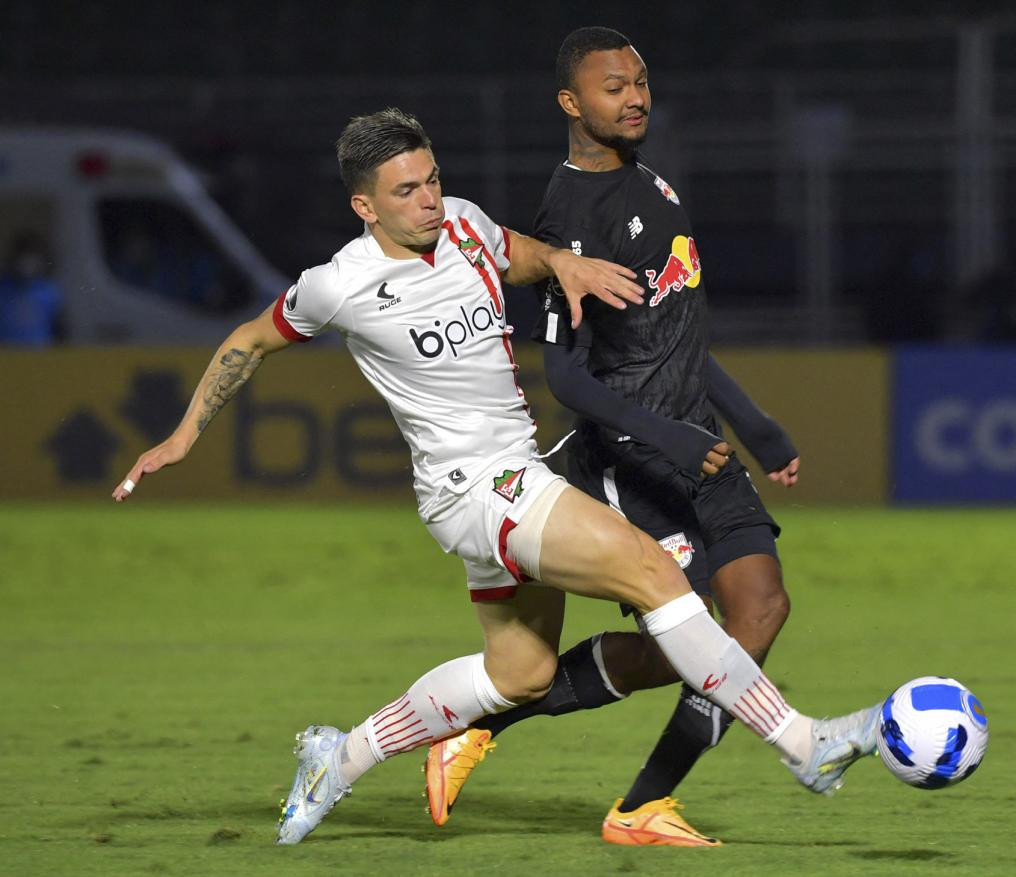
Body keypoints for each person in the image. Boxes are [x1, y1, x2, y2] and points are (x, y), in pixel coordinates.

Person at [112, 107, 880, 847]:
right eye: (406, 191)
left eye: (432, 179)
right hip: (477, 490)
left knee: (520, 672)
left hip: (512, 472)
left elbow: (520, 251)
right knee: (654, 571)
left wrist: (564, 260)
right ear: (364, 206)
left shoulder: (465, 225)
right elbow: (249, 339)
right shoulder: (337, 284)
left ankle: (338, 757)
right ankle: (803, 741)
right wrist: (184, 435)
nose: (428, 199)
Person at [423, 27, 843, 848]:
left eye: (642, 82)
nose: (636, 96)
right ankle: (541, 753)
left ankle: (636, 800)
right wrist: (670, 438)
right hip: (635, 459)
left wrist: (756, 427)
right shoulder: (570, 214)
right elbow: (569, 379)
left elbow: (675, 335)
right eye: (614, 87)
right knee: (700, 635)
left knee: (759, 610)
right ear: (571, 104)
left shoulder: (655, 185)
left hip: (703, 446)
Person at [0, 231, 64, 345]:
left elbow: (59, 328)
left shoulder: (49, 291)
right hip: (6, 354)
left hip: (39, 355)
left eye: (32, 257)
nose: (27, 263)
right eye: (23, 257)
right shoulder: (3, 289)